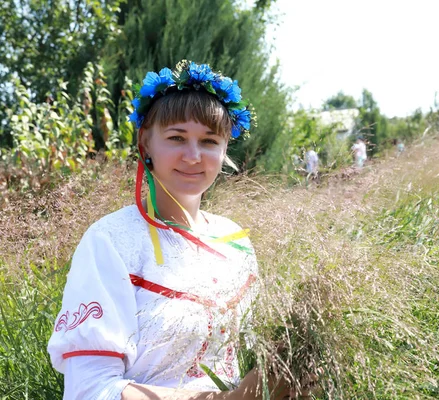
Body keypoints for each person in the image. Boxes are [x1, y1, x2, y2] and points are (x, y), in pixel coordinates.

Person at [47, 60, 306, 400]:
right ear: (145, 144)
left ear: (225, 147)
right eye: (176, 137)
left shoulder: (236, 242)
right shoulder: (110, 241)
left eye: (210, 141)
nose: (193, 155)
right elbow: (91, 390)